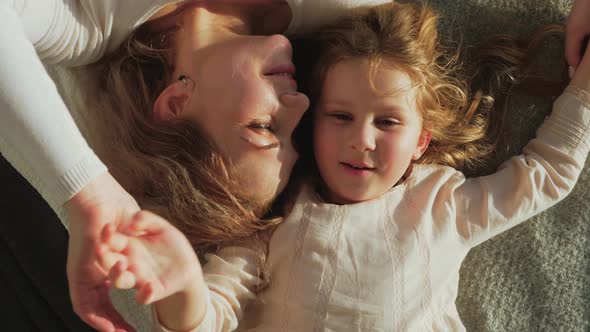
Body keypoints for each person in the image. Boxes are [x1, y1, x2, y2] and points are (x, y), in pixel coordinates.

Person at [97, 2, 589, 331]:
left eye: (389, 122)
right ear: (311, 123)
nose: (361, 140)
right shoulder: (277, 223)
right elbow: (213, 314)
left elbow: (546, 175)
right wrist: (182, 283)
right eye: (339, 116)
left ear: (421, 141)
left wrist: (585, 86)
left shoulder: (442, 205)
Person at [0, 1, 391, 331]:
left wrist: (88, 194)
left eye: (266, 127)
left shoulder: (84, 23)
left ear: (175, 104)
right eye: (289, 131)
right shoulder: (352, 9)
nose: (302, 104)